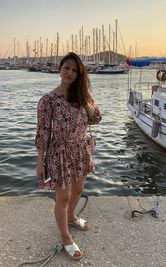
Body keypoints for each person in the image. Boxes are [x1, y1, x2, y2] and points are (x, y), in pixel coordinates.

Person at [35, 52, 102, 260]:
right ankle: (65, 238)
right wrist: (40, 162)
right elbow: (43, 132)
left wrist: (84, 99)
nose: (70, 72)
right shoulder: (48, 100)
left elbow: (96, 118)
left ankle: (72, 216)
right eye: (67, 68)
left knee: (79, 189)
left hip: (81, 150)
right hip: (61, 152)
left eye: (75, 70)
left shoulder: (83, 96)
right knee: (62, 197)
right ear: (60, 69)